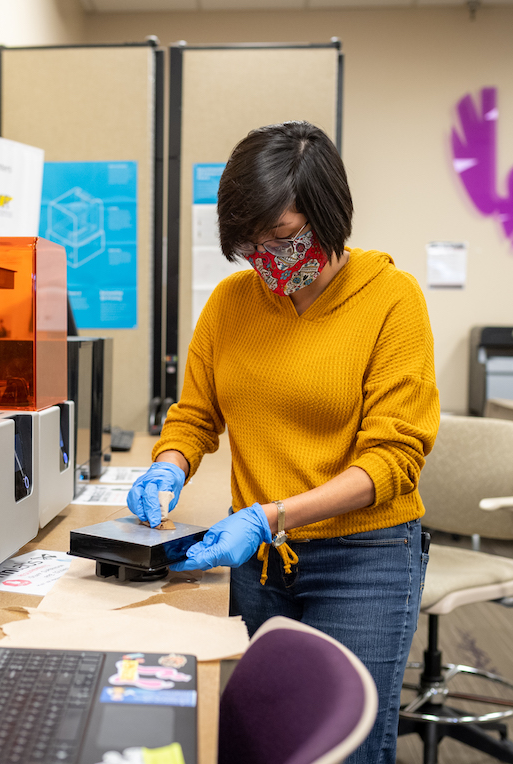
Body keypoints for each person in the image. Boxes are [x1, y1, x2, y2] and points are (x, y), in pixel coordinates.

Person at [127, 121, 439, 764]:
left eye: (283, 238)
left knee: (343, 751)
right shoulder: (231, 303)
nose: (266, 260)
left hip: (364, 559)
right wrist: (169, 466)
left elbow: (393, 461)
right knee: (256, 743)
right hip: (261, 558)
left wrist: (274, 516)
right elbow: (195, 415)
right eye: (250, 244)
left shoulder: (391, 301)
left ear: (328, 216)